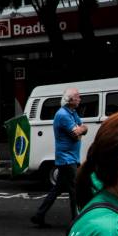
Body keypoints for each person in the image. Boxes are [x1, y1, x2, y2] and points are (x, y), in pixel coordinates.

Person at [31, 87, 87, 227]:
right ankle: (76, 220)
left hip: (70, 157)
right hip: (66, 158)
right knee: (75, 189)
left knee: (57, 189)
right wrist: (81, 130)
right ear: (70, 99)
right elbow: (76, 134)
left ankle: (39, 215)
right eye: (78, 96)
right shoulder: (63, 115)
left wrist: (81, 130)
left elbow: (83, 128)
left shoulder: (72, 112)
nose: (80, 98)